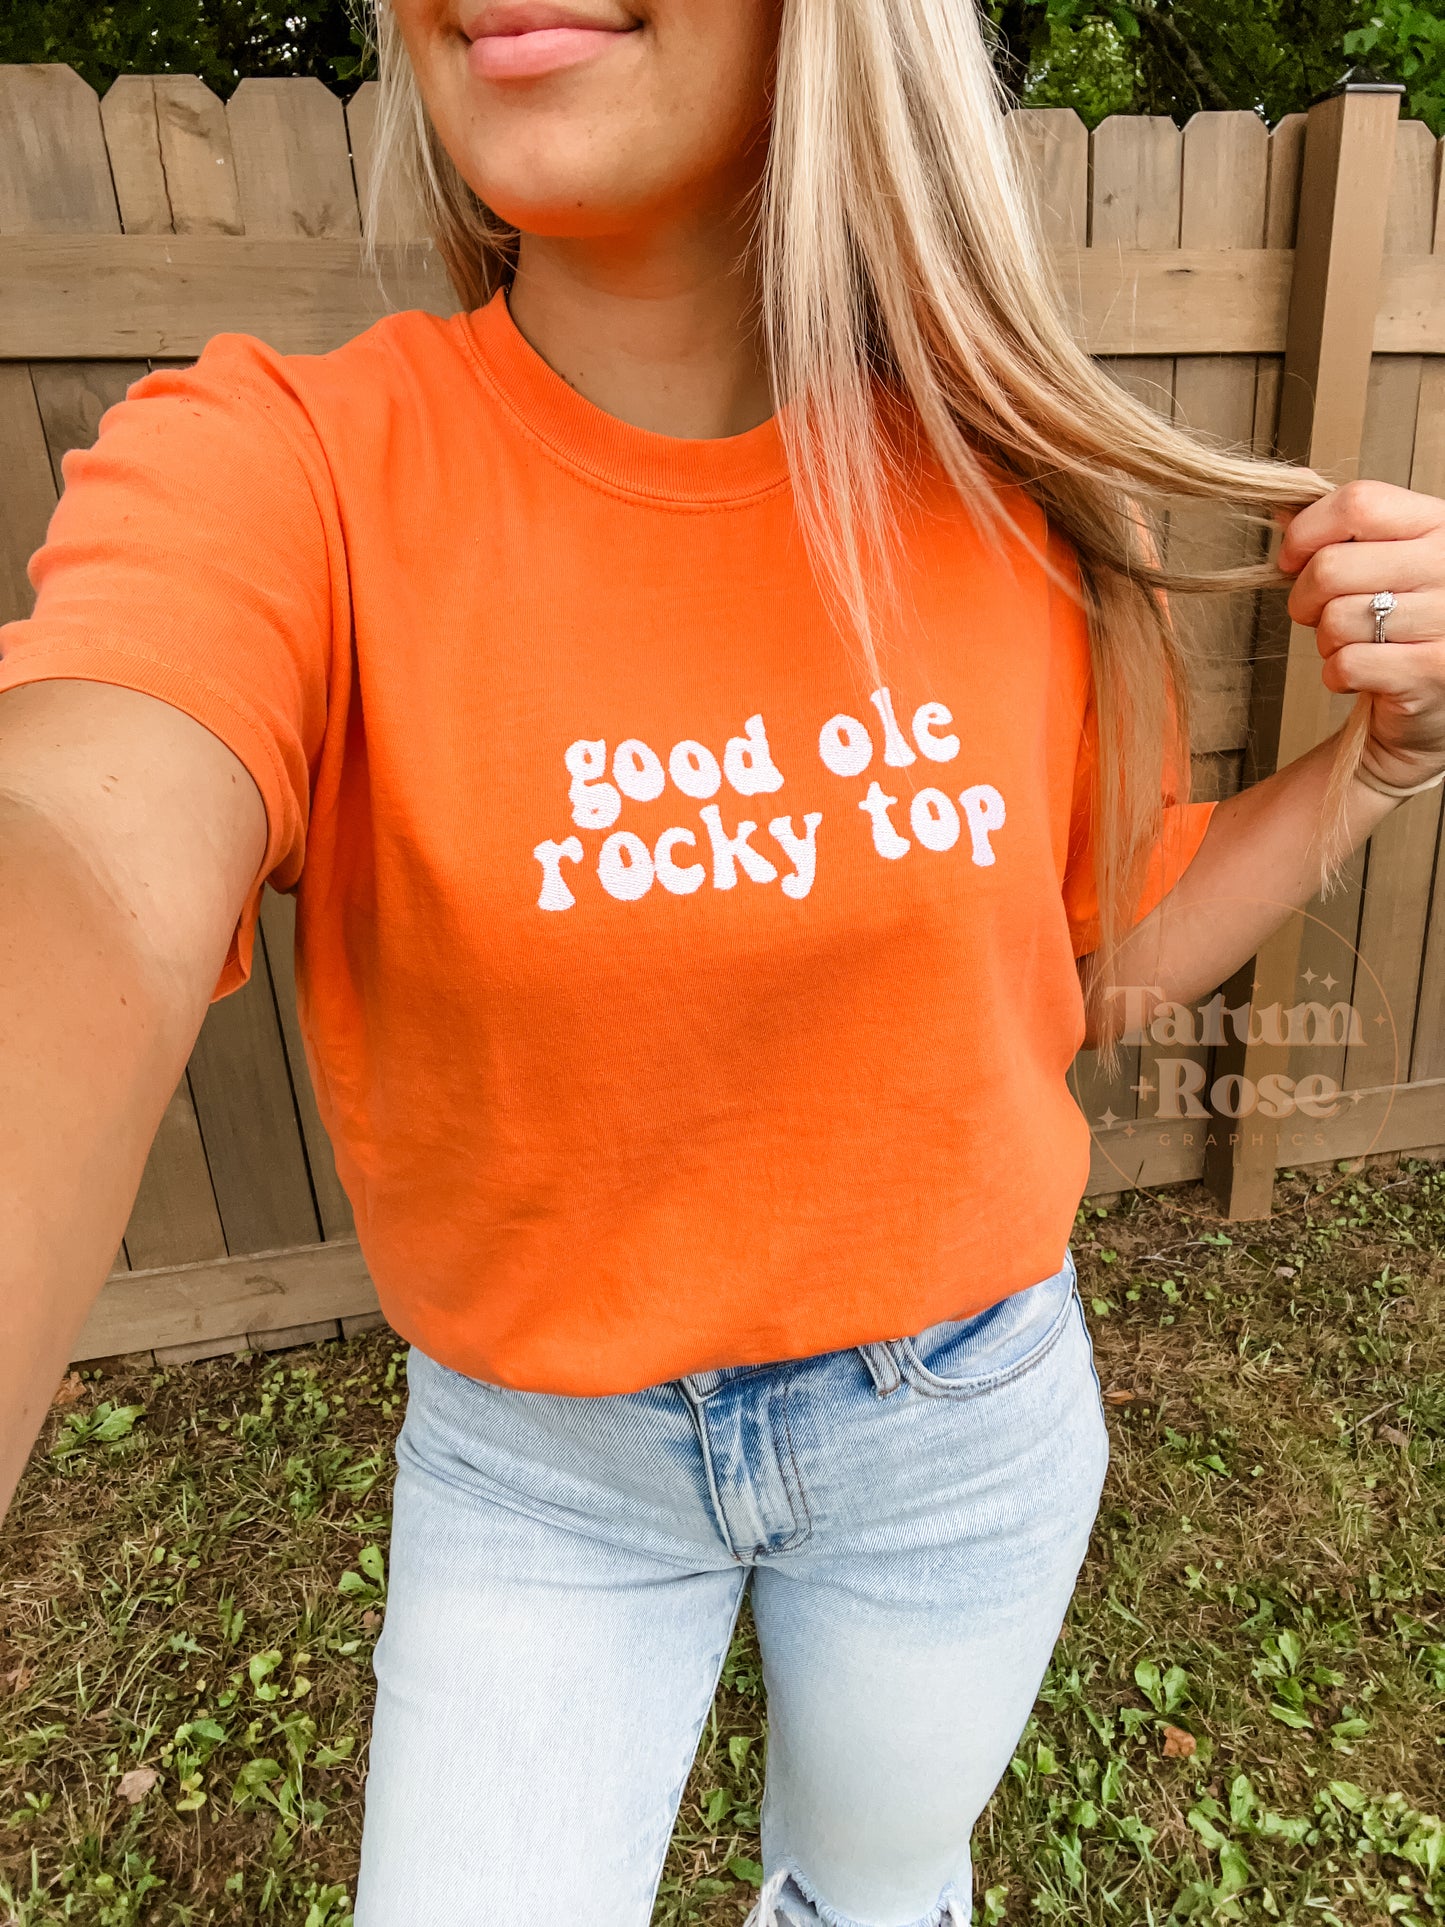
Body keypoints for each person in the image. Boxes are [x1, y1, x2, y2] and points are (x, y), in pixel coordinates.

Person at [2, 2, 1443, 1920]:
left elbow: (1091, 964)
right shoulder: (276, 473)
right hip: (541, 1475)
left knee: (868, 1896)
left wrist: (1378, 770)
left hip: (962, 1436)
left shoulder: (1014, 506)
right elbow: (81, 856)